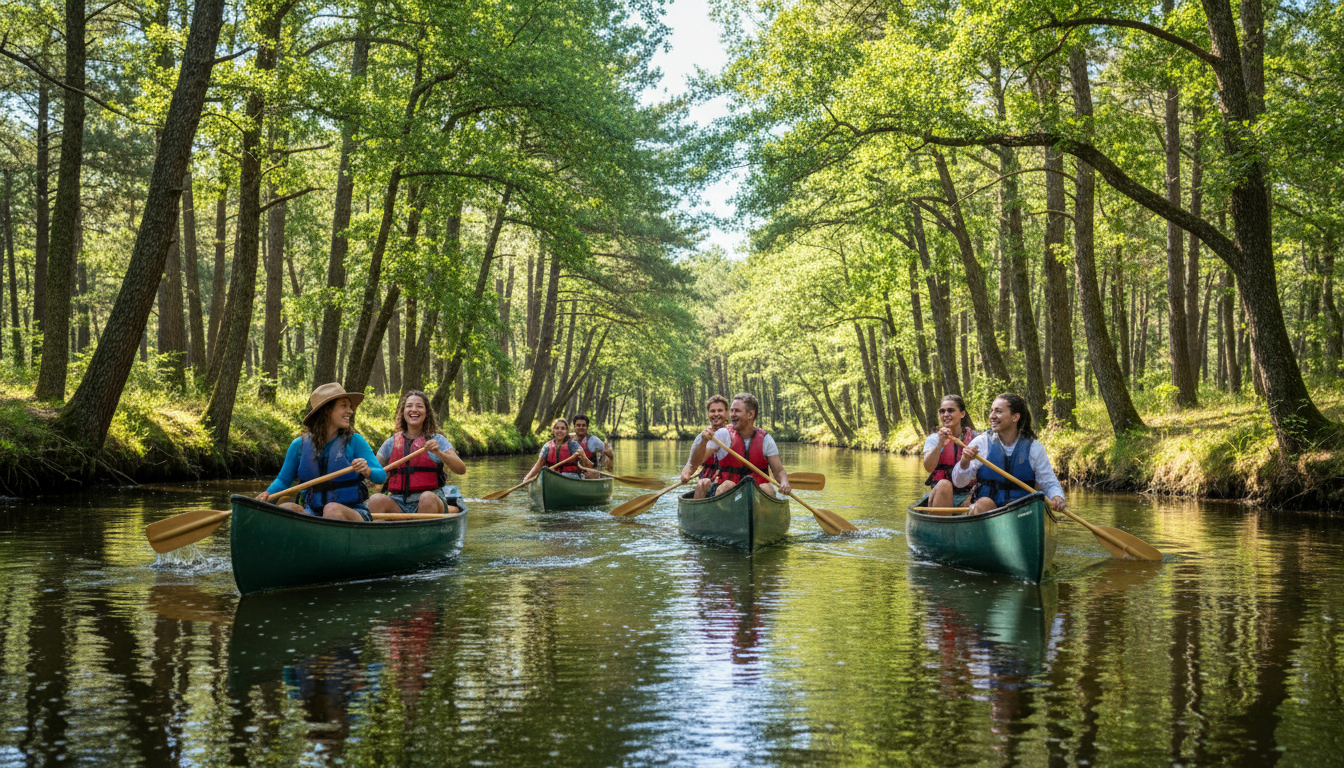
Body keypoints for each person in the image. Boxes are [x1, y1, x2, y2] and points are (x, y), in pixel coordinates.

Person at [256, 383, 386, 521]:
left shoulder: (355, 441)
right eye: (344, 406)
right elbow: (282, 481)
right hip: (313, 513)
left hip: (353, 512)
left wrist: (367, 470)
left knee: (331, 509)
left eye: (350, 406)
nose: (350, 411)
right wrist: (265, 498)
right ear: (327, 410)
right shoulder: (299, 446)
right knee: (287, 508)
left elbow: (381, 476)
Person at [951, 393, 1066, 515]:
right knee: (983, 503)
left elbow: (1049, 482)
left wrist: (1057, 497)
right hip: (988, 512)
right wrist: (965, 461)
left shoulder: (1034, 447)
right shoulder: (981, 443)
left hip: (1023, 512)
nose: (992, 416)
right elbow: (959, 482)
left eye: (998, 411)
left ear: (1015, 417)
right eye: (991, 411)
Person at [368, 390, 468, 516]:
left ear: (426, 413)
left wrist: (439, 453)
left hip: (430, 500)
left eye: (419, 406)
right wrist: (364, 468)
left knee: (427, 498)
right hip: (398, 502)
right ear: (403, 412)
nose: (414, 409)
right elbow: (374, 472)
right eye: (409, 406)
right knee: (375, 500)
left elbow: (461, 469)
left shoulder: (437, 440)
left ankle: (427, 529)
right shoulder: (391, 443)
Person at [688, 392, 791, 498]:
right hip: (727, 487)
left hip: (755, 487)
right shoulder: (722, 434)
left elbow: (779, 471)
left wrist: (784, 482)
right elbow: (698, 460)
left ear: (750, 414)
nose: (732, 414)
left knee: (767, 489)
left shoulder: (766, 439)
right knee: (728, 485)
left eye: (737, 411)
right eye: (731, 410)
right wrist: (703, 442)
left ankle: (762, 512)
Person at [923, 394, 978, 509]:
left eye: (951, 410)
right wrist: (940, 444)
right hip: (942, 492)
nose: (946, 415)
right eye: (942, 411)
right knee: (944, 484)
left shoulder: (976, 438)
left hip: (970, 493)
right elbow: (928, 467)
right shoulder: (934, 439)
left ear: (962, 414)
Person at [680, 394, 729, 499]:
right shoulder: (701, 437)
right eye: (712, 411)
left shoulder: (734, 434)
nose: (716, 414)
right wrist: (686, 472)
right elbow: (691, 463)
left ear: (727, 413)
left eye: (720, 410)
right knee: (703, 483)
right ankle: (696, 513)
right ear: (708, 414)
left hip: (729, 483)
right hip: (708, 484)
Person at [523, 418, 594, 482]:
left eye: (563, 428)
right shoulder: (547, 446)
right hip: (551, 477)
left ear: (566, 431)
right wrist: (527, 478)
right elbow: (539, 465)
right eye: (557, 428)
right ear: (553, 430)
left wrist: (583, 457)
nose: (559, 431)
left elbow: (589, 466)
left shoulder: (573, 446)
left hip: (570, 477)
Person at [571, 414, 612, 479]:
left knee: (590, 474)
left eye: (583, 425)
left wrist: (603, 469)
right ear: (574, 427)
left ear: (587, 427)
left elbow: (609, 453)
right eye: (578, 425)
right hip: (575, 472)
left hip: (590, 472)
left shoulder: (594, 441)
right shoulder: (570, 438)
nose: (581, 427)